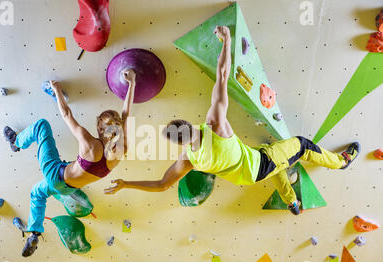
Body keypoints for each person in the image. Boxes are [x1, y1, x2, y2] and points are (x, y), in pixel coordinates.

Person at [104, 26, 360, 215]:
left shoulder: (189, 160)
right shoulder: (215, 125)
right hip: (260, 164)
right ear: (191, 125)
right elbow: (223, 75)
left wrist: (126, 184)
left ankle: (291, 201)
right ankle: (341, 163)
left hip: (249, 172)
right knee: (301, 146)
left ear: (180, 144)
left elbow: (161, 185)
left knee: (272, 158)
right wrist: (226, 41)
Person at [4, 70, 136, 257]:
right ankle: (34, 232)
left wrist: (56, 90)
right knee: (37, 193)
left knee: (42, 126)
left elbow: (66, 114)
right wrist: (132, 85)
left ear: (99, 127)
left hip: (55, 173)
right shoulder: (122, 151)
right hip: (66, 189)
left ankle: (16, 142)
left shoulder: (90, 143)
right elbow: (126, 117)